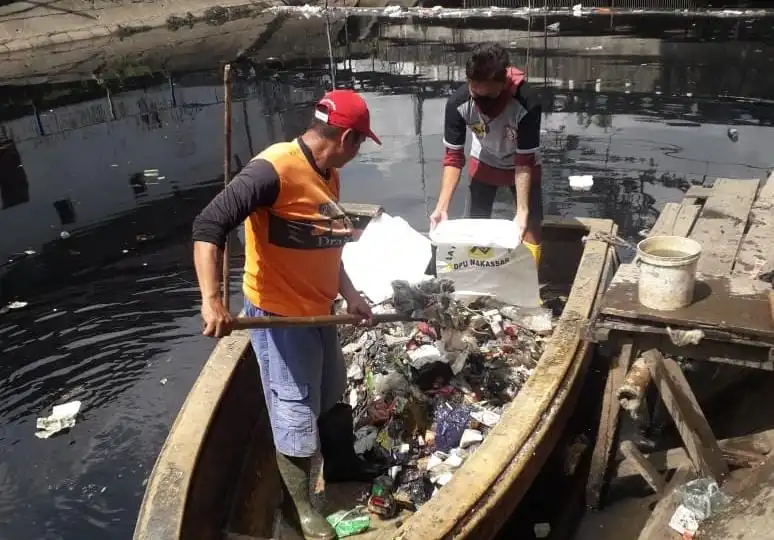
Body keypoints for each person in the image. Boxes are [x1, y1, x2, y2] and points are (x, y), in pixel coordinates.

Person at [191, 89, 382, 540]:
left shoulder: (328, 172)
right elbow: (209, 224)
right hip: (279, 317)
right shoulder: (272, 170)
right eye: (360, 142)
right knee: (295, 409)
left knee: (333, 393)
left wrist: (350, 296)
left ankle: (341, 466)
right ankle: (297, 512)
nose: (358, 152)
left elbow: (326, 241)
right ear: (347, 137)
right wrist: (211, 300)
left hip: (319, 311)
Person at [430, 43, 544, 265]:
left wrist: (521, 212)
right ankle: (478, 274)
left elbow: (524, 160)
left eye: (490, 96)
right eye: (476, 95)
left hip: (522, 166)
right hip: (484, 161)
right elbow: (453, 158)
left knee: (531, 223)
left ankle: (531, 283)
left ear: (504, 83)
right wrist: (441, 208)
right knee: (475, 222)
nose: (482, 104)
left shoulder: (527, 102)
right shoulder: (458, 103)